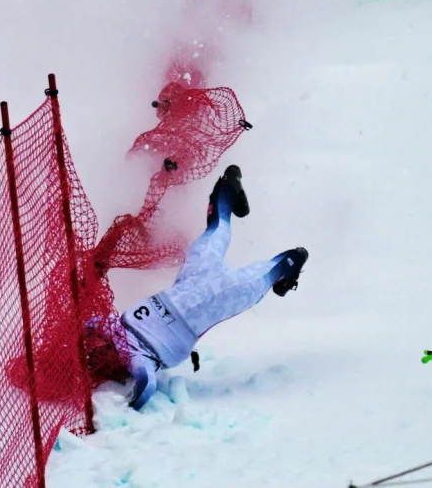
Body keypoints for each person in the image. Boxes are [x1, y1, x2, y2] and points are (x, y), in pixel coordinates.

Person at [112, 165, 308, 410]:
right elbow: (93, 326)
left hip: (213, 300)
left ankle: (295, 259)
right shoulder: (110, 331)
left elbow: (146, 385)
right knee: (216, 232)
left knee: (261, 276)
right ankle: (227, 188)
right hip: (190, 284)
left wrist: (129, 408)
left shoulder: (133, 357)